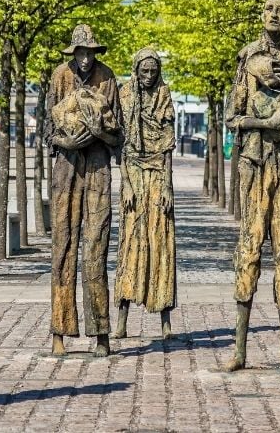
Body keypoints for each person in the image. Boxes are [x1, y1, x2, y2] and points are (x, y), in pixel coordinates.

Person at [224, 0, 280, 373]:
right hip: (255, 164)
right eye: (268, 9)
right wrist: (267, 124)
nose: (274, 15)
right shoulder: (247, 56)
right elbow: (232, 117)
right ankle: (240, 350)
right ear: (262, 14)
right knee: (250, 245)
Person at [44, 24, 123, 357]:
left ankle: (101, 332)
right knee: (63, 246)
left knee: (96, 247)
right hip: (66, 168)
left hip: (98, 169)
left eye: (90, 52)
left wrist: (96, 134)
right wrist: (66, 141)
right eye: (81, 52)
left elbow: (119, 134)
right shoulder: (59, 76)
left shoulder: (108, 78)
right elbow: (47, 130)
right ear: (73, 53)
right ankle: (59, 332)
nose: (86, 58)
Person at [113, 47, 176, 340]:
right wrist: (125, 183)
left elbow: (167, 145)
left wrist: (167, 186)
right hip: (134, 175)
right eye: (144, 71)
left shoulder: (164, 95)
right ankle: (122, 320)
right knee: (131, 242)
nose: (149, 77)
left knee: (161, 241)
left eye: (153, 71)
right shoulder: (124, 95)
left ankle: (165, 321)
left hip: (157, 174)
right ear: (136, 70)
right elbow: (122, 147)